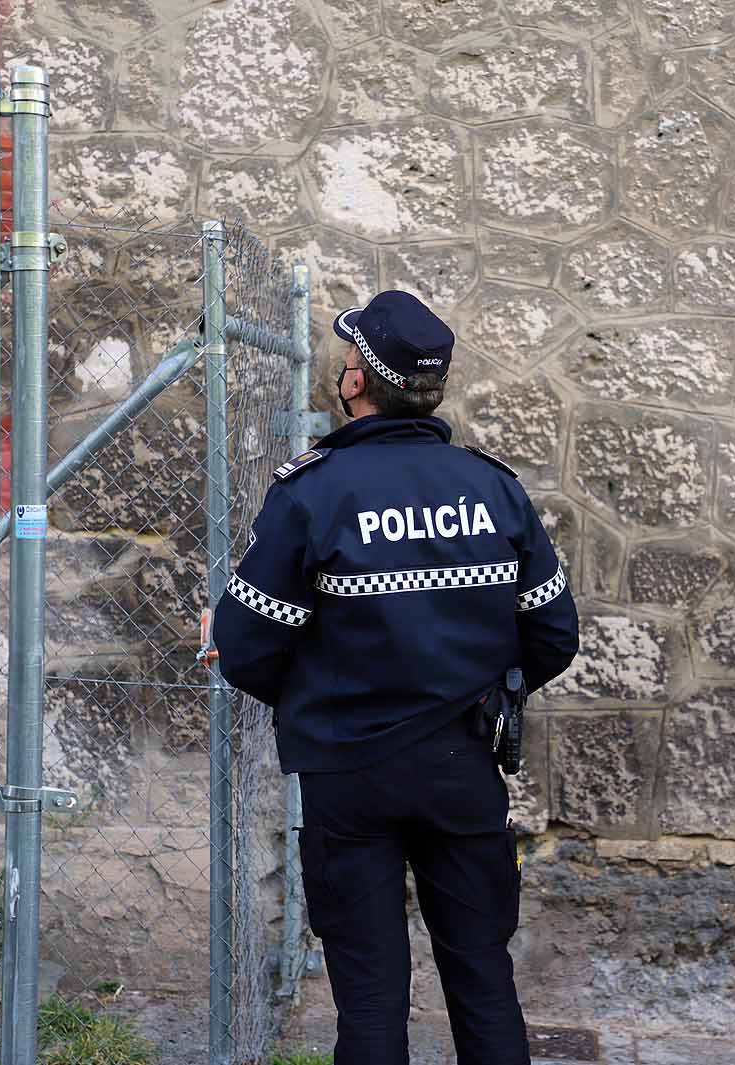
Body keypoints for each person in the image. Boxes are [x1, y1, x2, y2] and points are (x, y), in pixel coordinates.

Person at [210, 289, 579, 1065]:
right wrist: (479, 690)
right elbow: (552, 632)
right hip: (463, 767)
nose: (341, 370)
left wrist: (320, 696)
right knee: (483, 977)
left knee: (370, 996)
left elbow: (245, 645)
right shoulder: (493, 487)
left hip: (350, 775)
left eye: (348, 359)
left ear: (356, 382)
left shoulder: (311, 491)